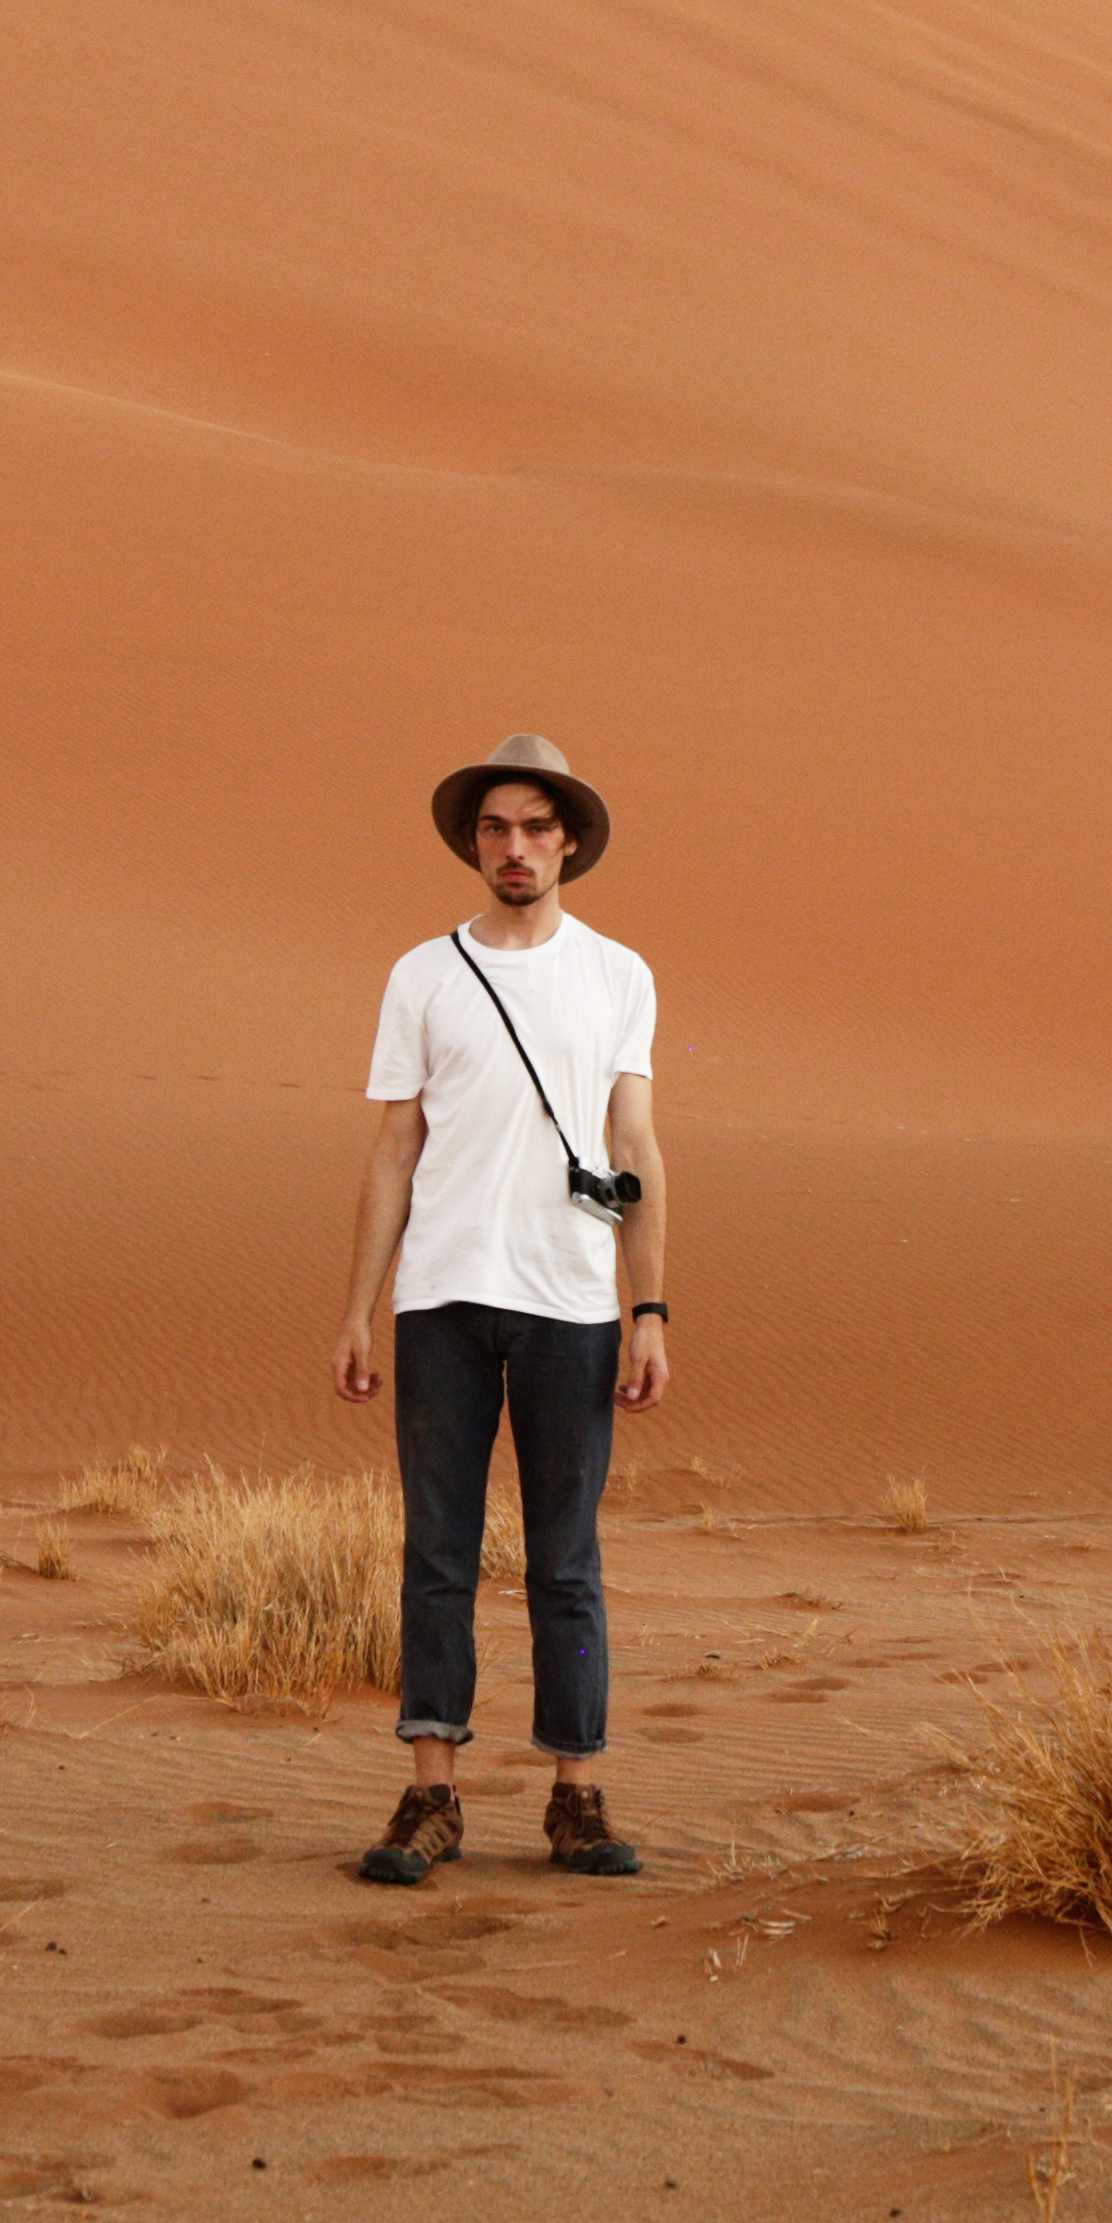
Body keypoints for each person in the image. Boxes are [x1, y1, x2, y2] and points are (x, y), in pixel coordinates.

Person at [330, 733, 669, 1883]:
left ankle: (578, 1793)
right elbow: (393, 1147)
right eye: (494, 829)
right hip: (440, 1301)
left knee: (566, 1561)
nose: (513, 848)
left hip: (571, 1302)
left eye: (533, 827)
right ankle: (431, 1796)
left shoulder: (619, 973)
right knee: (438, 1553)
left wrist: (650, 1307)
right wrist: (359, 1309)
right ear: (475, 844)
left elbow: (634, 1147)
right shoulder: (422, 974)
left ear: (568, 839)